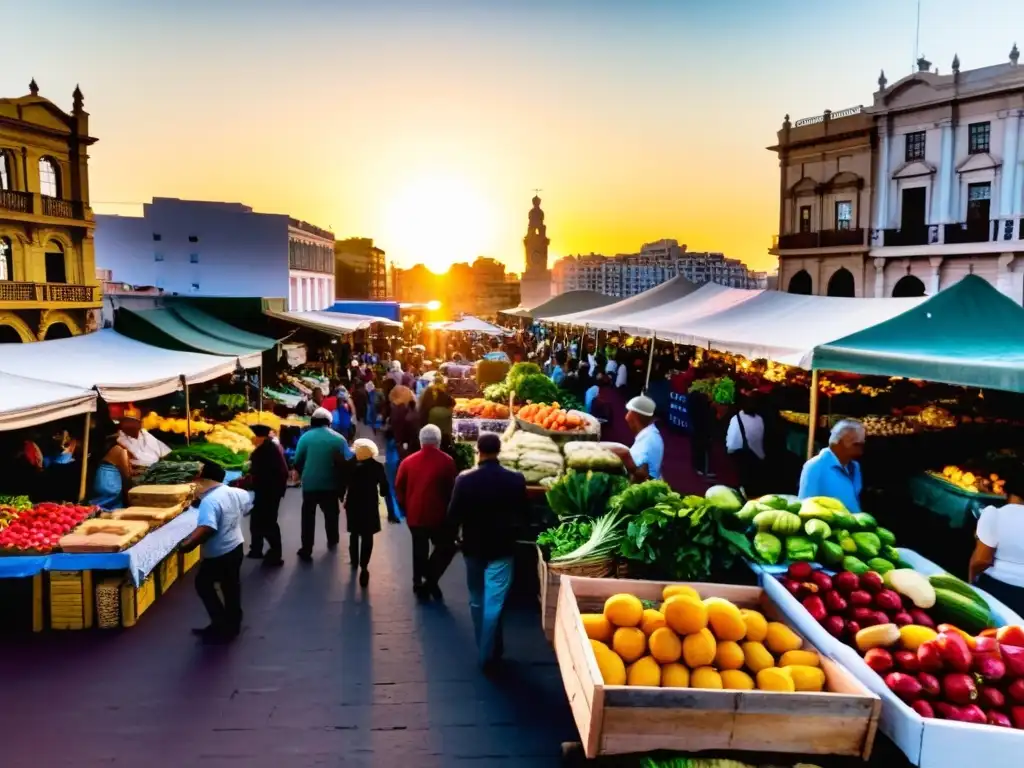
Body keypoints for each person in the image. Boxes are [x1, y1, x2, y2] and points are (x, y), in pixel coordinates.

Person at [448, 433, 528, 672]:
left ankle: (485, 649)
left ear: (478, 451)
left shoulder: (464, 480)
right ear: (499, 450)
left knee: (476, 599)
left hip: (472, 548)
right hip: (503, 547)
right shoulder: (515, 480)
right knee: (495, 601)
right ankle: (490, 650)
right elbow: (524, 513)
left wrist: (454, 538)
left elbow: (453, 515)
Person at [178, 461, 251, 643]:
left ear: (205, 480)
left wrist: (188, 545)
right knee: (231, 585)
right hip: (236, 545)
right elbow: (247, 502)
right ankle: (233, 623)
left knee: (203, 584)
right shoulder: (235, 492)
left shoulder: (210, 502)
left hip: (219, 552)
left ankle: (219, 624)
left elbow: (207, 528)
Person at [395, 424, 457, 599]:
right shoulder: (447, 461)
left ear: (421, 441)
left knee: (419, 548)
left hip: (415, 513)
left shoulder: (408, 462)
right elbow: (451, 488)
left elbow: (399, 486)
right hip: (439, 514)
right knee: (445, 546)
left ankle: (418, 581)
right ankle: (430, 579)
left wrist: (405, 506)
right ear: (438, 441)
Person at [294, 407, 353, 561]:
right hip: (331, 484)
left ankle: (306, 548)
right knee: (331, 514)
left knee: (308, 516)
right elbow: (348, 460)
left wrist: (301, 473)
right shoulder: (339, 439)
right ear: (329, 422)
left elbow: (297, 460)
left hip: (310, 483)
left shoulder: (305, 438)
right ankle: (333, 539)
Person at [969, 471, 1024, 616]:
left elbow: (982, 560)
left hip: (996, 589)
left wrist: (970, 582)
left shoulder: (995, 514)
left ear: (1006, 490)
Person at [342, 438, 394, 587]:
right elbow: (384, 488)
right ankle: (364, 566)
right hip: (370, 504)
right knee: (367, 535)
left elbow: (343, 480)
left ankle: (354, 560)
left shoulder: (350, 464)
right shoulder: (376, 466)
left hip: (352, 504)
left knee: (354, 532)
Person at [798, 419, 865, 512]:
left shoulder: (855, 467)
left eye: (862, 445)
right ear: (838, 443)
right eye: (856, 444)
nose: (860, 451)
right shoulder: (815, 466)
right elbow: (805, 506)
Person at [245, 424, 288, 566]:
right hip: (268, 490)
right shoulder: (266, 448)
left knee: (268, 522)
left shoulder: (266, 450)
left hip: (269, 491)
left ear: (259, 437)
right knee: (258, 520)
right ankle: (256, 549)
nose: (251, 440)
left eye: (253, 437)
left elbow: (263, 473)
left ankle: (276, 554)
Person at [610, 395, 664, 483]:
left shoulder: (645, 443)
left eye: (628, 412)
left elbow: (639, 475)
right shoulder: (652, 433)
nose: (626, 417)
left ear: (634, 415)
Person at [726, 393, 767, 497]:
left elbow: (732, 439)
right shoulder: (760, 419)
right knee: (753, 480)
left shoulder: (736, 418)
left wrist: (729, 450)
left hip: (742, 453)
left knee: (743, 478)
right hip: (757, 454)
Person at [90, 432, 133, 510]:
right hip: (110, 485)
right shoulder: (120, 450)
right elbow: (127, 476)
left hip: (100, 481)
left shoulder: (107, 447)